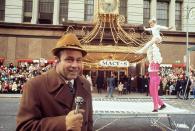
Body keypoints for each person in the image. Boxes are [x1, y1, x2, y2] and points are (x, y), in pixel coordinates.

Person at [16, 33, 93, 131]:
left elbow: (89, 122)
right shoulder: (34, 86)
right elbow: (24, 127)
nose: (75, 65)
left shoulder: (85, 84)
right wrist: (64, 123)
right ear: (57, 60)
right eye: (69, 59)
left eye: (78, 60)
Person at [137, 18, 172, 112]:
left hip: (155, 79)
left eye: (151, 23)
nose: (151, 25)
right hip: (152, 78)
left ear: (154, 22)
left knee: (155, 93)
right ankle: (162, 104)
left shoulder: (156, 60)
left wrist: (168, 28)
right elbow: (150, 53)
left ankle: (156, 107)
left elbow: (163, 27)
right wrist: (145, 29)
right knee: (152, 93)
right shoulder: (151, 62)